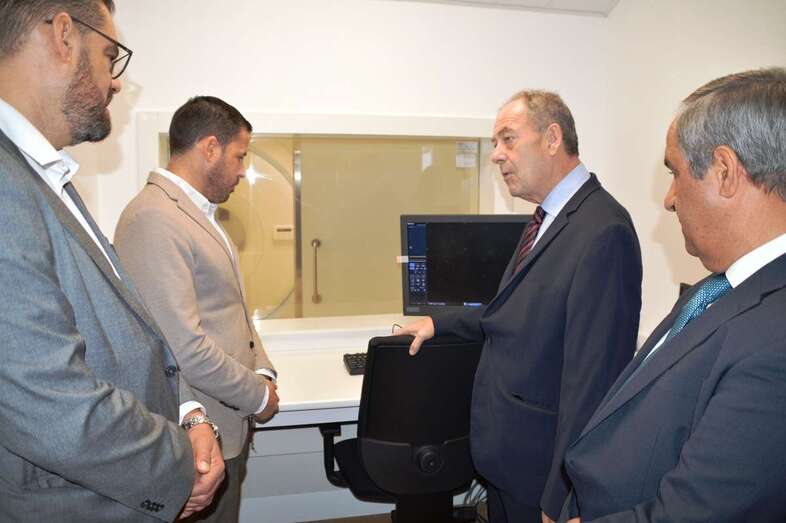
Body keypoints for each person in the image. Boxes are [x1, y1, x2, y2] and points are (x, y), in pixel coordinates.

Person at [0, 1, 224, 521]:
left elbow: (132, 336)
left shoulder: (47, 178)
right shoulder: (7, 185)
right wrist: (179, 466)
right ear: (63, 36)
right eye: (110, 55)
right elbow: (50, 402)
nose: (117, 81)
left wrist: (189, 412)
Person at [398, 90, 643, 522]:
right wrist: (440, 322)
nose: (496, 155)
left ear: (552, 138)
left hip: (542, 476)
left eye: (508, 139)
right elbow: (513, 311)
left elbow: (593, 381)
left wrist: (564, 494)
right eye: (496, 143)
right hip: (509, 461)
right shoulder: (546, 219)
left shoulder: (604, 231)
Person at [559, 68, 786, 523]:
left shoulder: (775, 340)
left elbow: (697, 512)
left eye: (675, 172)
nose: (668, 198)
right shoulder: (714, 289)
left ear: (724, 172)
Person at [115, 96, 280, 522]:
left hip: (230, 420)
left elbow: (233, 309)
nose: (242, 170)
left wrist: (263, 369)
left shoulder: (198, 214)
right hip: (199, 432)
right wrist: (258, 395)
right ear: (210, 148)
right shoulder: (154, 218)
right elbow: (182, 348)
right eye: (239, 156)